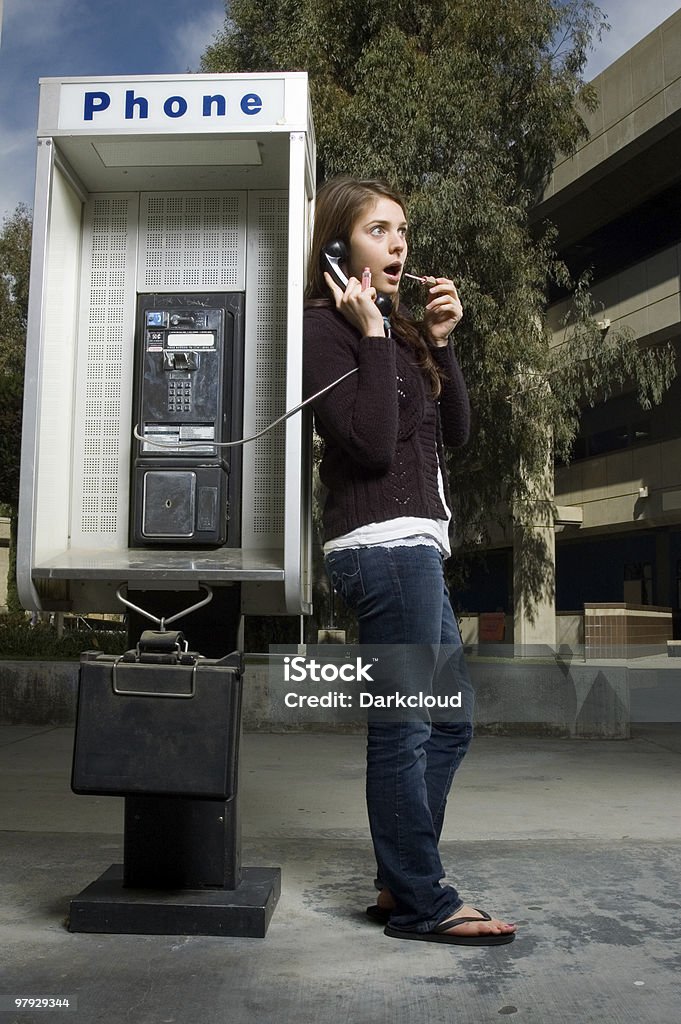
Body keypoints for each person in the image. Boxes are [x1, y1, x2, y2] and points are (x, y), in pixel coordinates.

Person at [303, 177, 516, 946]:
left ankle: (402, 883)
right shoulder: (326, 328)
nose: (397, 245)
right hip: (378, 547)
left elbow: (450, 433)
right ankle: (423, 899)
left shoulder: (396, 331)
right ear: (338, 245)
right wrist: (365, 336)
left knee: (448, 727)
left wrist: (439, 340)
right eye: (378, 231)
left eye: (402, 231)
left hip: (416, 545)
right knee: (407, 729)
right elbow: (364, 443)